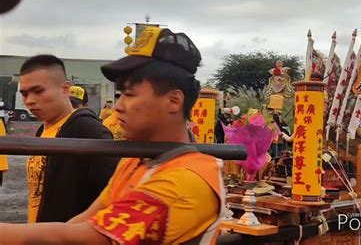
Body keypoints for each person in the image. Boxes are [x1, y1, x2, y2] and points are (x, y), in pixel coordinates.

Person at [0, 27, 225, 244]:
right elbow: (82, 221)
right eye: (119, 95)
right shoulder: (135, 162)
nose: (118, 107)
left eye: (129, 94)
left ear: (173, 101)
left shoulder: (185, 180)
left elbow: (83, 239)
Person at [17, 54, 118, 223]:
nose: (29, 101)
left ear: (65, 89)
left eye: (38, 91)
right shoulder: (43, 130)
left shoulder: (88, 131)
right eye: (24, 94)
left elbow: (111, 198)